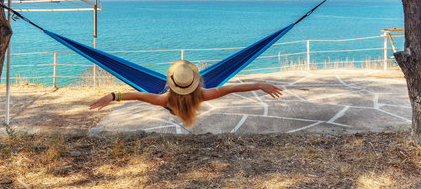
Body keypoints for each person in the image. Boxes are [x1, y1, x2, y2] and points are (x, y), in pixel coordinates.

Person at [89, 60, 283, 126]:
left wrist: (113, 96)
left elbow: (138, 95)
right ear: (195, 83)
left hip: (173, 103)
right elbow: (231, 88)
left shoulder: (163, 99)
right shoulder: (204, 95)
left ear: (169, 84)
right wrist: (259, 84)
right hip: (185, 101)